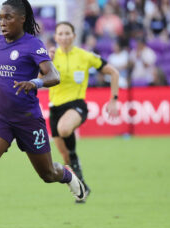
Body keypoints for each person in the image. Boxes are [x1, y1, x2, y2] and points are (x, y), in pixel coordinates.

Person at [0, 1, 87, 228]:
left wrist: (35, 83)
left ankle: (66, 175)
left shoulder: (33, 45)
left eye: (8, 17)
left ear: (22, 19)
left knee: (47, 174)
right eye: (0, 17)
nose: (2, 22)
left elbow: (53, 75)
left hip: (28, 120)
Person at [48, 21, 119, 203]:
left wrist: (114, 99)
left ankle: (77, 170)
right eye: (60, 34)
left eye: (67, 33)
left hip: (76, 104)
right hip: (54, 108)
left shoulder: (85, 56)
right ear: (55, 37)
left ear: (73, 36)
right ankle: (82, 187)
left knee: (65, 129)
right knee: (65, 157)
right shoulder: (50, 57)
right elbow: (39, 79)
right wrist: (46, 62)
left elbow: (113, 72)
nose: (64, 37)